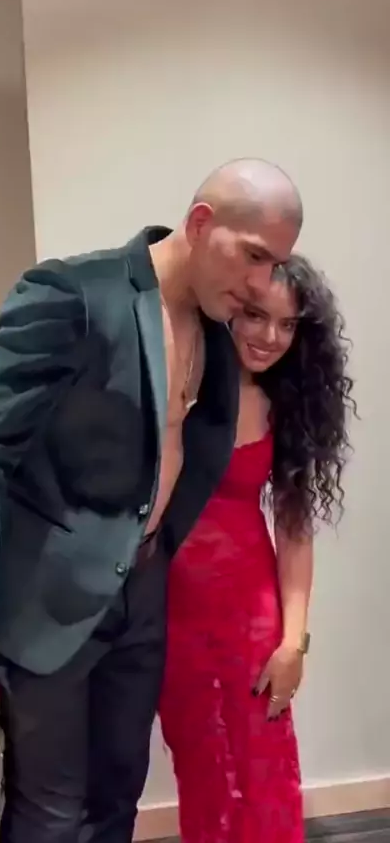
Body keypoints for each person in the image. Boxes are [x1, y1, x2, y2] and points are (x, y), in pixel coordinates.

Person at [0, 159, 303, 843]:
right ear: (200, 223)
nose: (259, 283)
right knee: (49, 815)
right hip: (46, 606)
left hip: (142, 602)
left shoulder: (219, 333)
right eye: (252, 256)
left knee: (116, 800)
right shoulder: (71, 295)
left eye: (273, 264)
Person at [159, 254, 356, 843]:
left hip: (252, 616)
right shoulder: (179, 383)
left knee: (264, 769)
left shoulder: (285, 400)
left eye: (287, 324)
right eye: (255, 315)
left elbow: (295, 529)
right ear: (227, 309)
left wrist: (294, 642)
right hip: (169, 614)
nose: (271, 336)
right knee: (202, 770)